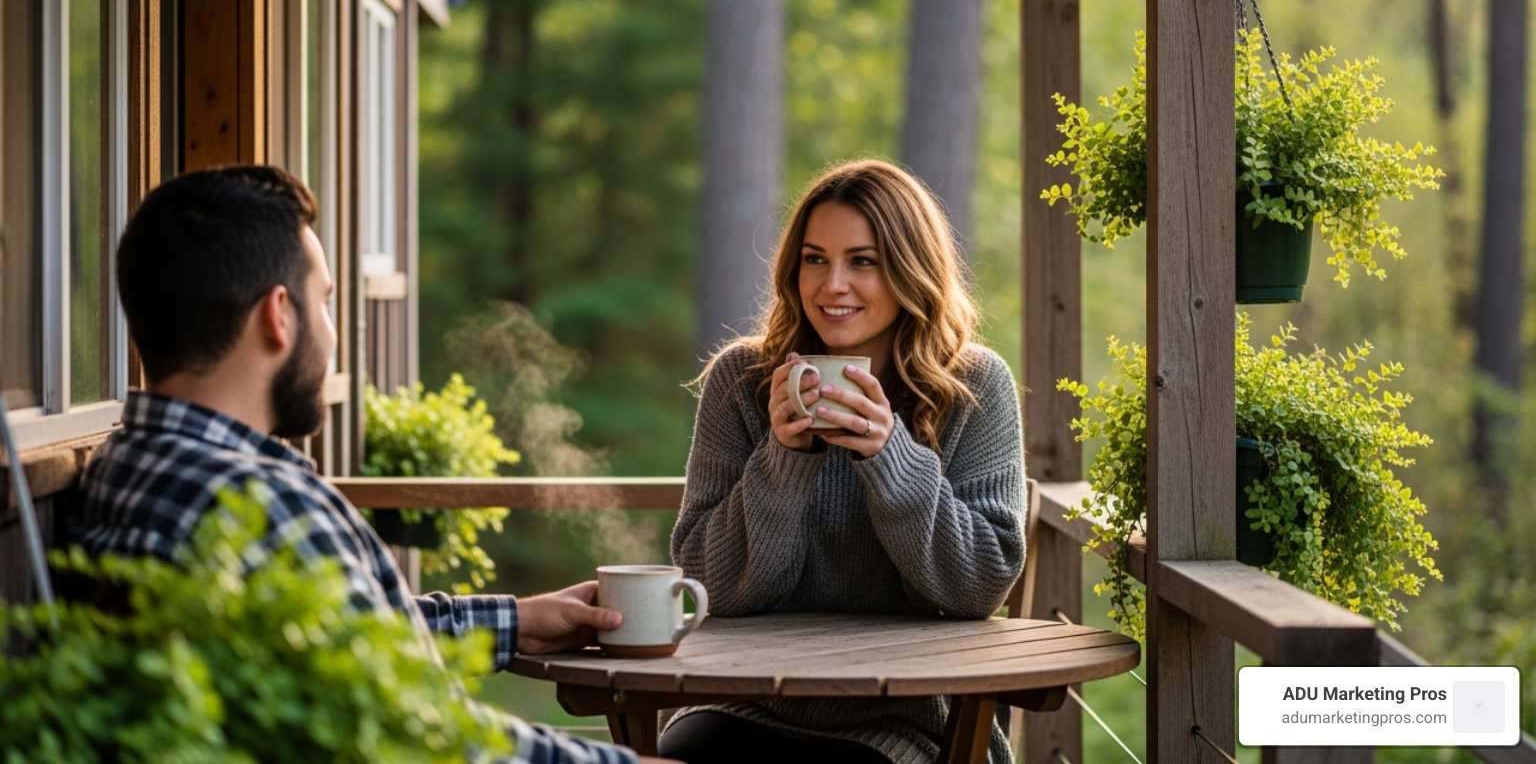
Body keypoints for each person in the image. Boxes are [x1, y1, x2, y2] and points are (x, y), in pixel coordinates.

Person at [70, 165, 675, 764]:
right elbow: (417, 726)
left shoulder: (127, 464)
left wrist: (513, 622)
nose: (332, 335)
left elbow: (330, 648)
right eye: (325, 302)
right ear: (277, 315)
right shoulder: (267, 506)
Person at [662, 160, 1026, 764]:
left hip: (906, 717)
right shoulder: (742, 381)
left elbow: (979, 587)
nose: (832, 285)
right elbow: (710, 587)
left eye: (863, 261)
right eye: (814, 259)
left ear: (911, 269)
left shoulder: (975, 387)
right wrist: (784, 457)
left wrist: (893, 458)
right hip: (740, 703)